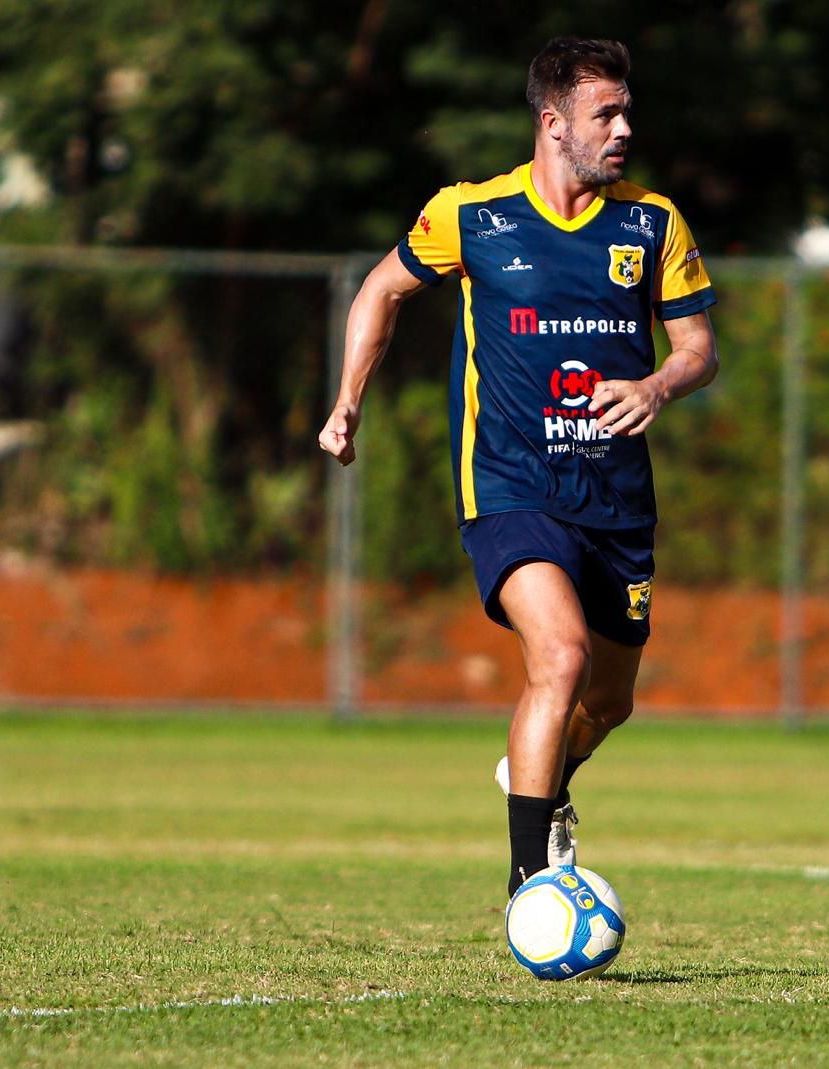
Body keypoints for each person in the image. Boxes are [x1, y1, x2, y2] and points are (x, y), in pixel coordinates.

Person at [318, 37, 718, 897]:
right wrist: (349, 396)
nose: (623, 129)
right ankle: (531, 886)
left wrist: (658, 383)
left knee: (607, 701)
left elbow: (698, 349)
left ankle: (541, 782)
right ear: (553, 123)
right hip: (508, 484)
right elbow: (381, 289)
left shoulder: (652, 222)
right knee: (560, 655)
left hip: (616, 495)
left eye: (625, 112)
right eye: (604, 114)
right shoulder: (472, 213)